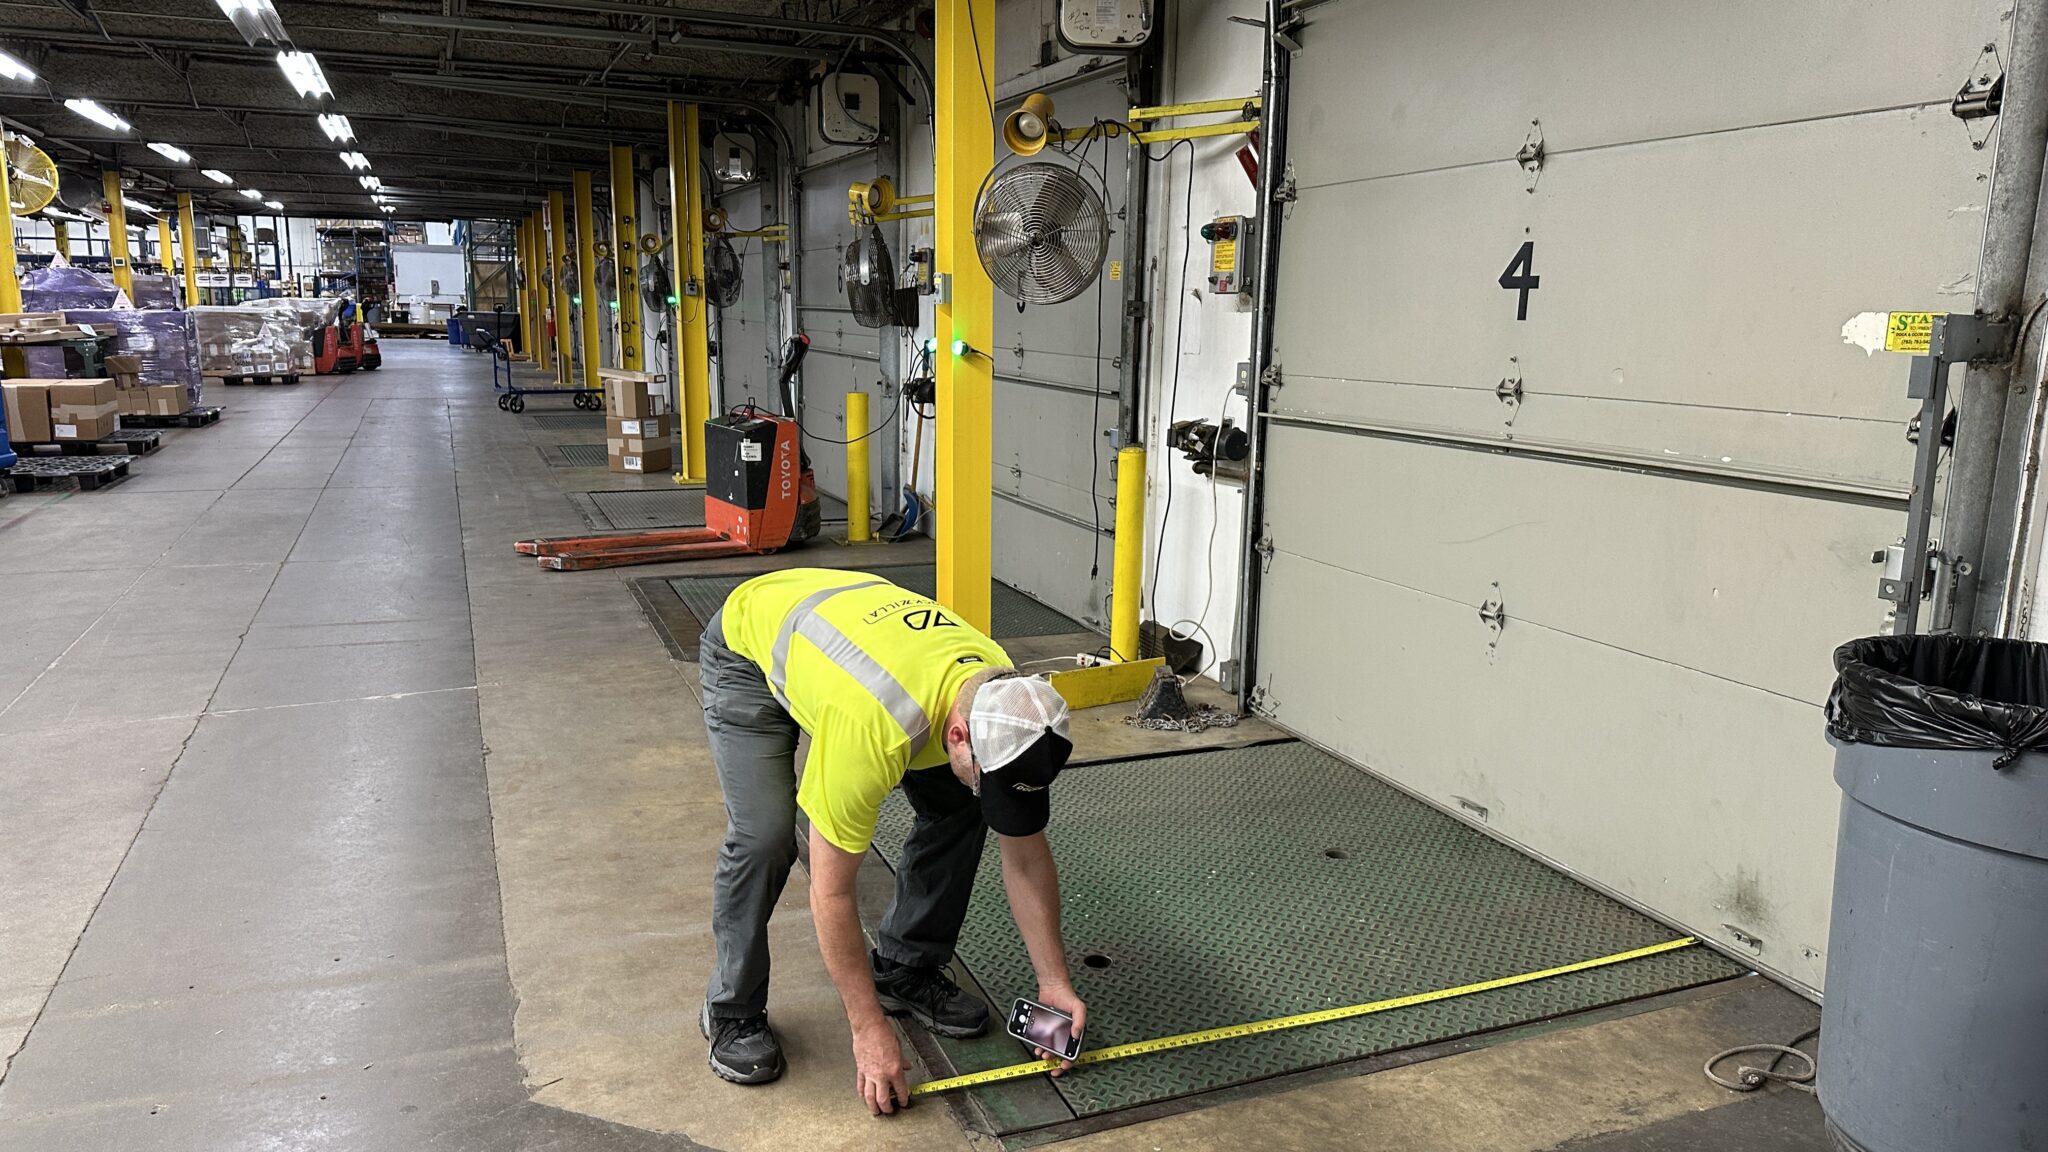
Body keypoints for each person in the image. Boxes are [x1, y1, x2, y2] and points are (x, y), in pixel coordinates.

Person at [698, 568, 1086, 1115]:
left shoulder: (1005, 698)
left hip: (846, 636)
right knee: (765, 837)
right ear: (958, 735)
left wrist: (1054, 983)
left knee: (965, 804)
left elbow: (1024, 854)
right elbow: (832, 893)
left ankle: (904, 966)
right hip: (750, 648)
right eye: (979, 766)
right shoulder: (874, 726)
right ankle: (730, 1007)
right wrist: (867, 1029)